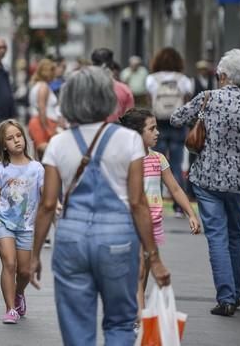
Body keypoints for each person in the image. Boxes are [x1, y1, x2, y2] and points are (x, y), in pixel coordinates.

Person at [29, 66, 171, 345]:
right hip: (118, 237)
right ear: (107, 98)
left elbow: (47, 205)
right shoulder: (129, 139)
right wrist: (153, 258)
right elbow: (138, 202)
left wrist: (34, 255)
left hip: (71, 239)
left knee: (77, 325)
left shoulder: (57, 143)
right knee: (120, 322)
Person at [170, 49, 240, 317]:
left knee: (217, 236)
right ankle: (237, 294)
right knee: (236, 234)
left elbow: (176, 119)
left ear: (222, 76)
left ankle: (226, 298)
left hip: (208, 179)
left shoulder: (208, 98)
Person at [119, 107, 200, 317]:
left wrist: (191, 214)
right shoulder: (124, 160)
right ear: (137, 133)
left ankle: (136, 307)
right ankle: (139, 315)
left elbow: (174, 188)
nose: (157, 133)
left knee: (144, 272)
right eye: (152, 128)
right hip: (131, 223)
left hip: (153, 225)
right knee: (139, 271)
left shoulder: (158, 159)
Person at [0, 119, 43, 324]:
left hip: (27, 226)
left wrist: (57, 206)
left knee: (24, 271)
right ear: (3, 145)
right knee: (9, 263)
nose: (16, 140)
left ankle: (19, 292)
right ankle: (10, 309)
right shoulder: (0, 169)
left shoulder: (37, 168)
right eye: (10, 138)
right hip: (3, 223)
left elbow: (45, 195)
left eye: (18, 136)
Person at [146, 47, 194, 217]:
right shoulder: (183, 80)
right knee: (175, 165)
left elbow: (150, 102)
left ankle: (155, 202)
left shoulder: (152, 79)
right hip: (178, 126)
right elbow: (188, 104)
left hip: (158, 126)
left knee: (156, 164)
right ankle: (179, 207)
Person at [28, 59, 60, 158]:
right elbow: (42, 108)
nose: (54, 74)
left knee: (40, 156)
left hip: (39, 121)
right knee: (49, 153)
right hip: (44, 122)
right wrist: (47, 128)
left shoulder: (37, 86)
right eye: (52, 71)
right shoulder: (43, 87)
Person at [90, 47, 134, 122]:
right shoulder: (124, 89)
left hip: (89, 131)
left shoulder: (83, 88)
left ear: (93, 64)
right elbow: (129, 119)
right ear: (112, 65)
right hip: (116, 130)